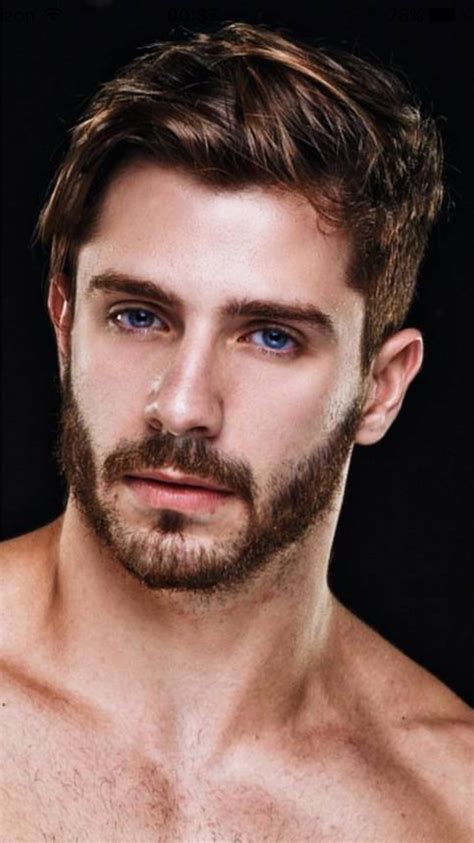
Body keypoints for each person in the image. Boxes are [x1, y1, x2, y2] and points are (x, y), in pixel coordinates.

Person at [1, 21, 472, 841]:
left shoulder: (451, 803)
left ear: (381, 387)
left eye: (272, 337)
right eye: (139, 315)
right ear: (66, 326)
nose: (183, 405)